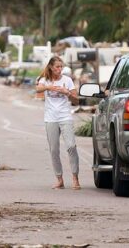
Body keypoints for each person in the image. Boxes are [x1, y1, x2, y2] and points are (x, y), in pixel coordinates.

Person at [36, 55, 80, 190]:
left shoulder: (67, 80)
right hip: (51, 118)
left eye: (61, 67)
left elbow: (76, 101)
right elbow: (38, 90)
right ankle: (59, 179)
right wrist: (49, 87)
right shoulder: (45, 80)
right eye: (57, 67)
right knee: (54, 150)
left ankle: (75, 177)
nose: (60, 69)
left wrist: (67, 92)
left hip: (65, 116)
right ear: (51, 67)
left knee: (71, 146)